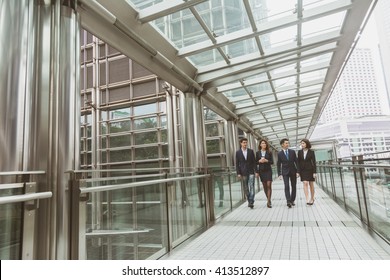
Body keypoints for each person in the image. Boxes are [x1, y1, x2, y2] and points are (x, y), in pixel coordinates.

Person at [277, 138, 300, 208]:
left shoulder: (292, 152)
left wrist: (298, 172)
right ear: (282, 145)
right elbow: (278, 164)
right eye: (286, 143)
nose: (287, 144)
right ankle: (288, 200)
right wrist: (279, 174)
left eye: (288, 143)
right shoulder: (279, 153)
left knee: (294, 186)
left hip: (293, 171)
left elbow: (296, 162)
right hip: (285, 172)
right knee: (286, 186)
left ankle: (292, 200)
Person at [236, 138, 257, 209]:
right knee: (245, 187)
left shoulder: (251, 151)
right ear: (241, 143)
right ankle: (249, 200)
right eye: (244, 143)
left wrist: (256, 171)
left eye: (246, 142)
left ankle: (251, 202)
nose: (245, 144)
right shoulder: (238, 152)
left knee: (252, 186)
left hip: (251, 171)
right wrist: (238, 173)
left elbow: (254, 162)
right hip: (243, 172)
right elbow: (237, 164)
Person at [297, 138, 317, 205]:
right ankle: (307, 198)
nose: (302, 144)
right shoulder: (299, 152)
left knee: (311, 184)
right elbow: (298, 162)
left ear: (306, 144)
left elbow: (314, 162)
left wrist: (314, 172)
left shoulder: (311, 152)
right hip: (303, 170)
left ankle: (312, 198)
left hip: (310, 170)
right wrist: (298, 172)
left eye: (303, 143)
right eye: (301, 143)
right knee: (305, 183)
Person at [255, 139, 274, 208]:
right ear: (260, 145)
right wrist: (259, 161)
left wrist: (266, 160)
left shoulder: (269, 152)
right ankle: (268, 199)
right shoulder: (258, 153)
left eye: (265, 143)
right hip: (261, 171)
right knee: (265, 186)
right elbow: (255, 162)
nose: (264, 144)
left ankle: (268, 202)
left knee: (269, 185)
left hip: (268, 170)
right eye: (263, 143)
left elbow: (272, 162)